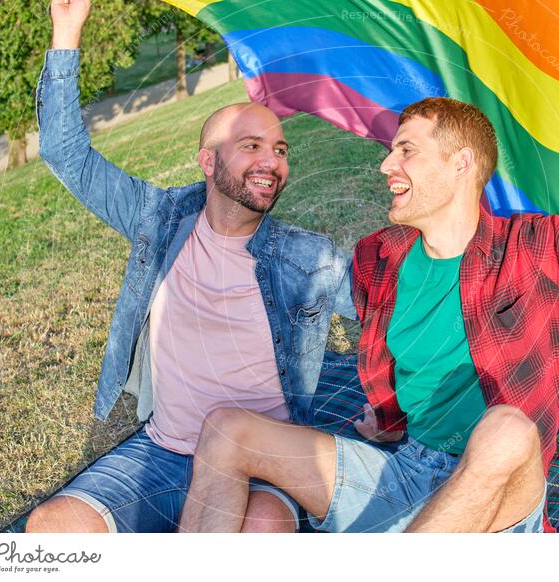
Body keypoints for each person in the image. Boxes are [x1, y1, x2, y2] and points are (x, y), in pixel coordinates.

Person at [177, 1, 559, 533]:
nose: (384, 165)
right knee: (226, 430)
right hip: (405, 473)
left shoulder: (533, 249)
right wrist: (387, 419)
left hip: (500, 500)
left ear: (461, 163)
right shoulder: (380, 257)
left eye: (405, 151)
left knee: (504, 429)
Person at [25, 0, 357, 533]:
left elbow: (388, 299)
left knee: (262, 534)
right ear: (208, 161)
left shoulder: (306, 257)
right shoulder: (155, 219)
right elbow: (66, 153)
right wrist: (67, 30)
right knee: (50, 530)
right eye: (252, 146)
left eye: (280, 149)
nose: (272, 162)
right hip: (167, 453)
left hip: (264, 464)